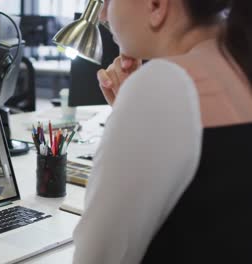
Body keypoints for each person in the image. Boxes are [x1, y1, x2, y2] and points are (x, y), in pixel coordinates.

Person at [73, 0, 252, 263]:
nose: (102, 14)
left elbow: (97, 256)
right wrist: (130, 113)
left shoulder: (164, 84)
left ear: (156, 6)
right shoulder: (239, 67)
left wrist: (135, 106)